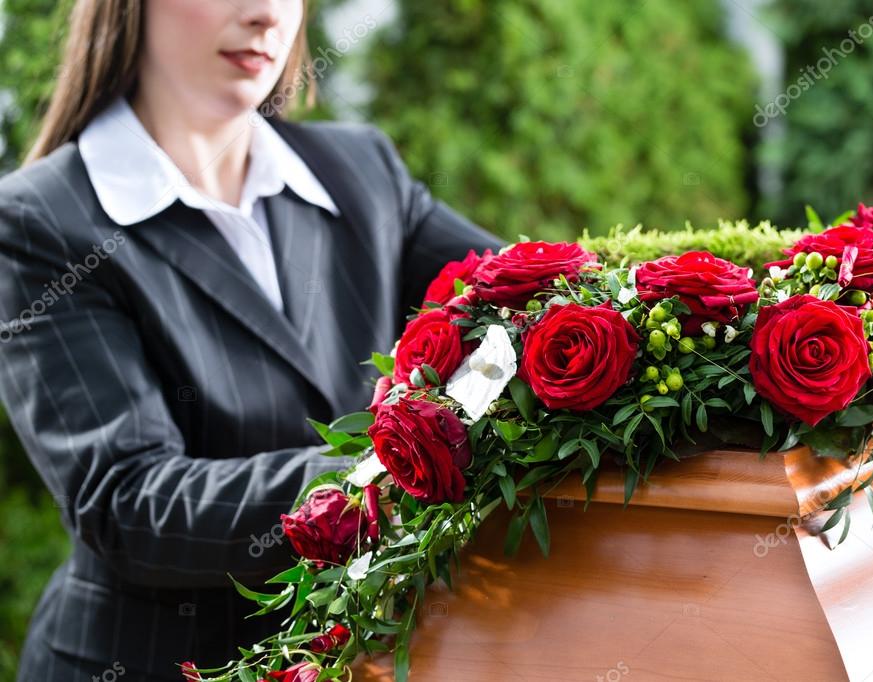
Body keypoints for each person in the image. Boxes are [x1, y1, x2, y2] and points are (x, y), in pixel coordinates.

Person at [0, 1, 501, 679]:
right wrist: (392, 466)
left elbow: (530, 302)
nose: (266, 14)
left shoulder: (361, 169)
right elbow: (127, 501)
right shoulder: (40, 223)